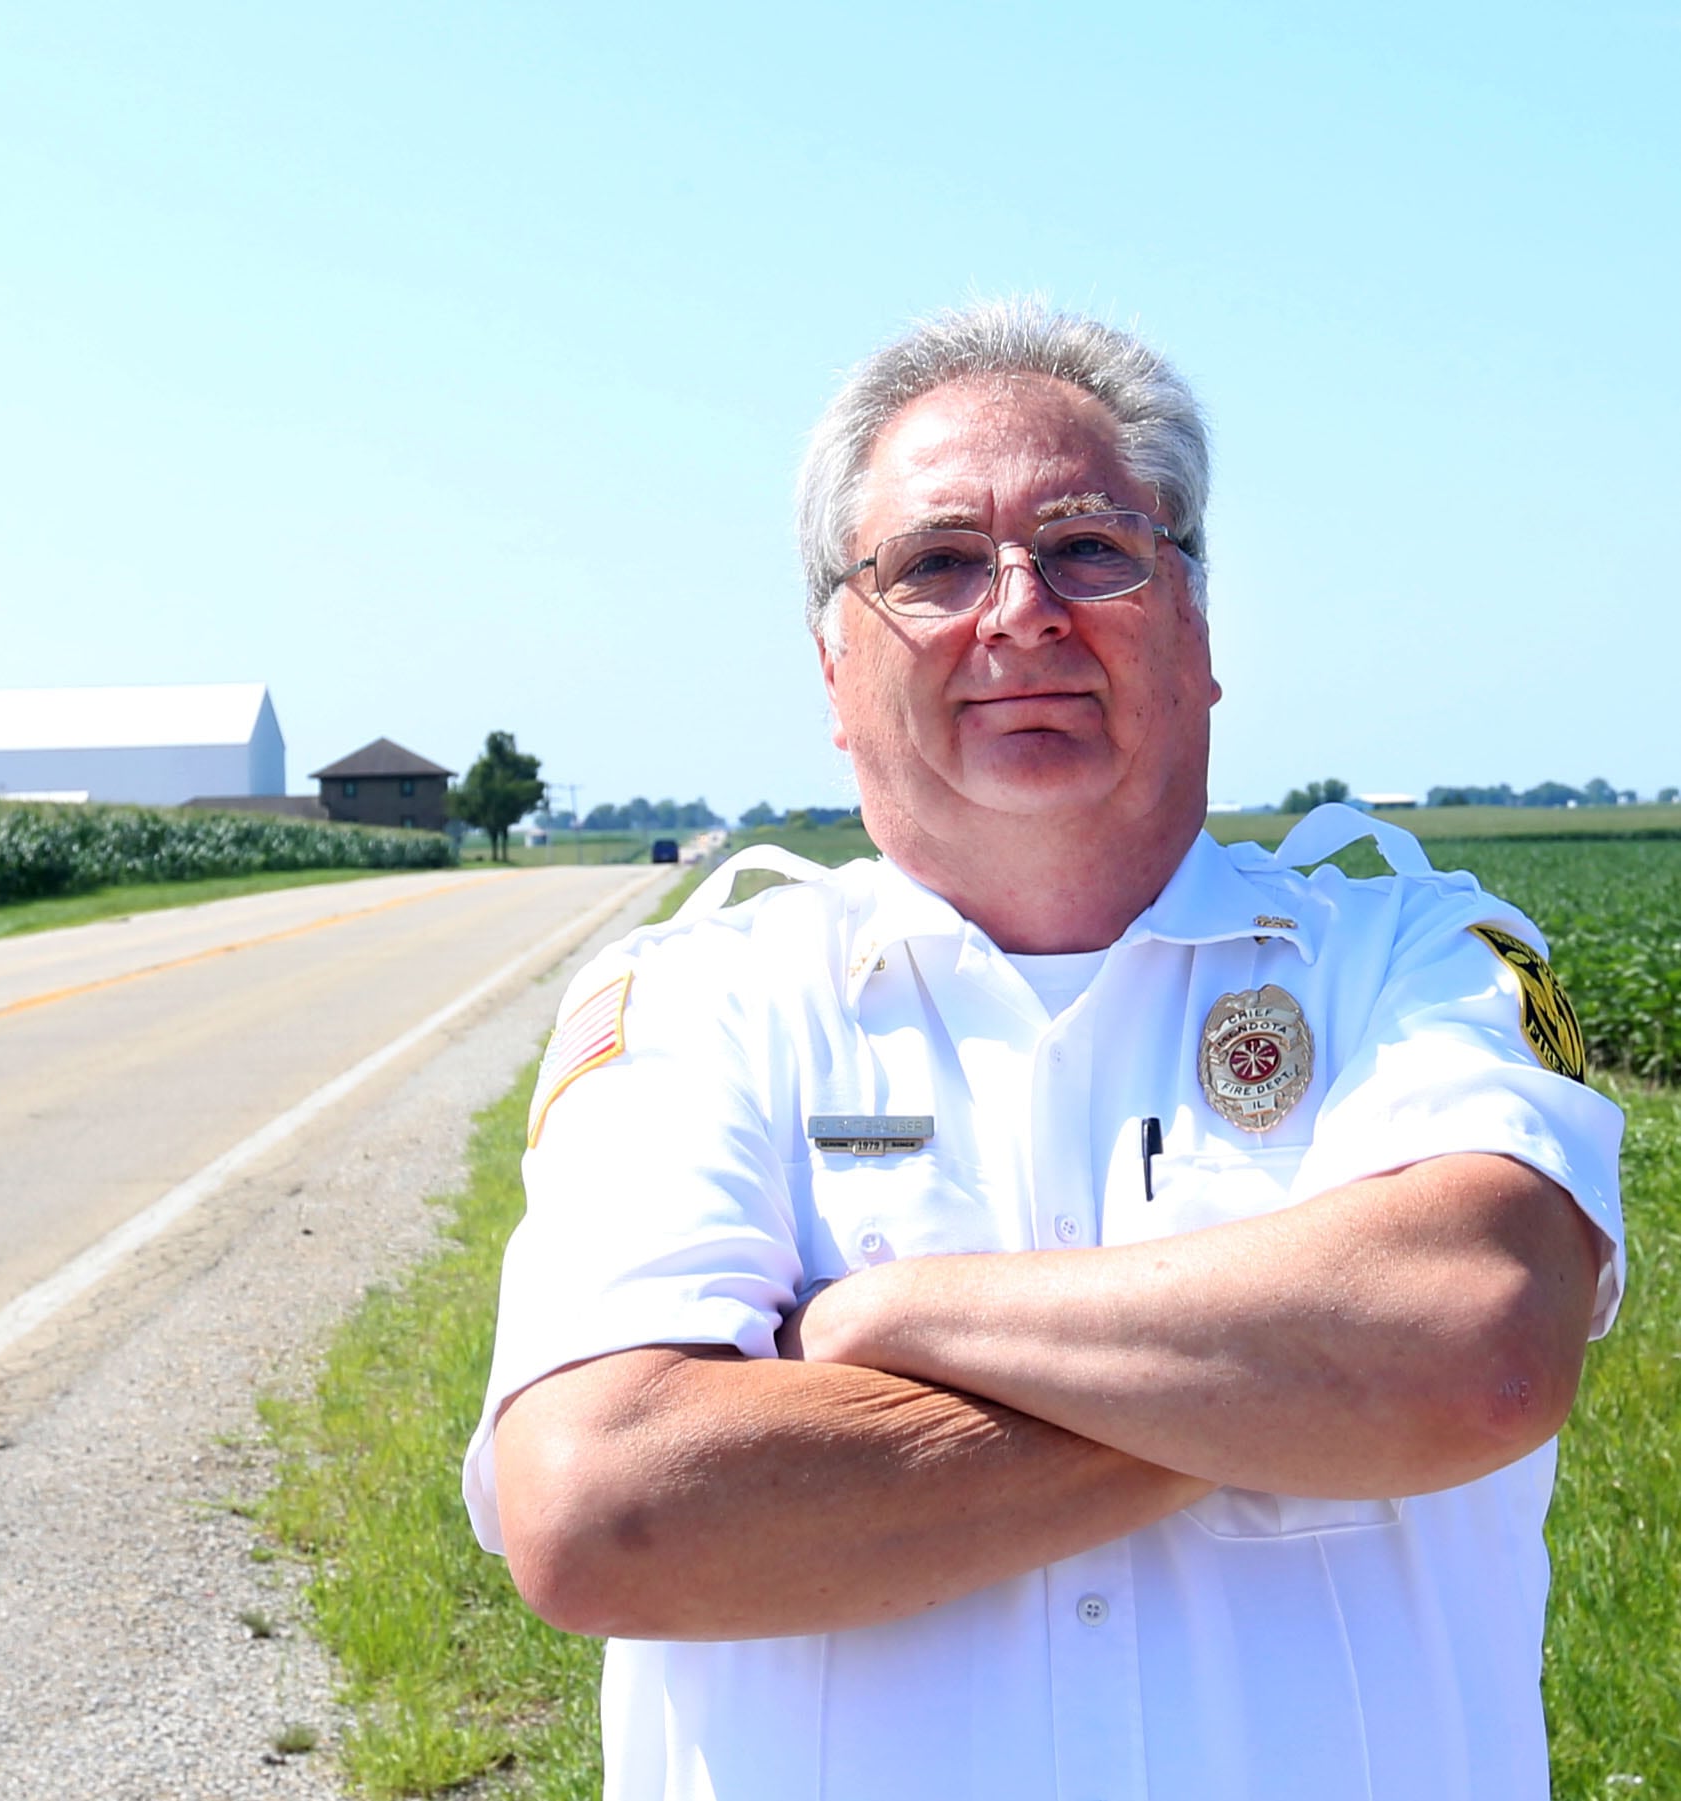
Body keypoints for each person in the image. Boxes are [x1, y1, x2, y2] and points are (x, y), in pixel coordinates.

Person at [463, 301, 1625, 1801]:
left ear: (1198, 630)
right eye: (935, 563)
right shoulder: (701, 1002)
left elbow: (1468, 1345)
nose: (1020, 610)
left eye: (1089, 545)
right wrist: (1302, 1390)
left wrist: (883, 1320)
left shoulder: (1413, 956)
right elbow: (606, 1506)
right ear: (831, 670)